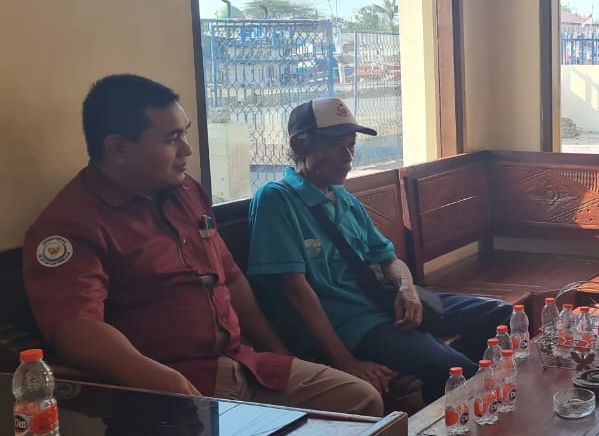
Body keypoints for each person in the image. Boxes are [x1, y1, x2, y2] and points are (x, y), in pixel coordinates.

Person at [23, 75, 382, 416]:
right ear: (118, 148)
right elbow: (77, 330)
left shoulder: (186, 191)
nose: (187, 149)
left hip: (245, 363)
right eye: (171, 139)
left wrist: (278, 351)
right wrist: (163, 382)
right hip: (175, 386)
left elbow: (231, 277)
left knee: (362, 400)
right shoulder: (71, 224)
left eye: (185, 134)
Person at [246, 97, 509, 402]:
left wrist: (407, 289)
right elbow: (295, 291)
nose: (347, 156)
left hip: (386, 305)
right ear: (299, 145)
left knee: (500, 316)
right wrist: (345, 361)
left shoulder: (343, 199)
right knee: (457, 371)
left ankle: (472, 400)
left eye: (351, 145)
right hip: (355, 325)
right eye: (334, 145)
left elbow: (389, 259)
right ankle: (454, 419)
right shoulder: (277, 200)